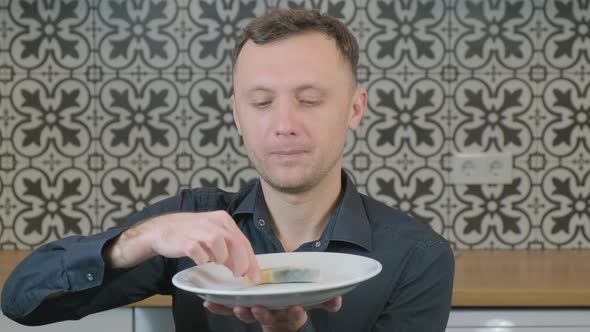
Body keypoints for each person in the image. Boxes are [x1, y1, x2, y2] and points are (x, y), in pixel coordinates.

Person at [1, 8, 454, 332]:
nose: (283, 125)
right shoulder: (190, 225)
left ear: (355, 109)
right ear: (237, 114)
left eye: (310, 100)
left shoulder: (416, 257)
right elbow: (23, 303)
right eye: (260, 103)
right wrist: (140, 239)